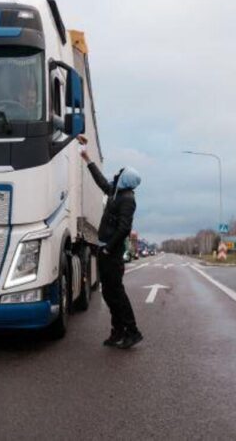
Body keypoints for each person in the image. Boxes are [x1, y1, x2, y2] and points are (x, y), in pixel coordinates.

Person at [78, 135, 144, 349]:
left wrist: (108, 249)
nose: (117, 175)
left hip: (112, 252)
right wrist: (88, 160)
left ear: (126, 179)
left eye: (121, 174)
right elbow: (102, 182)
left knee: (116, 293)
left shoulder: (127, 199)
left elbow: (124, 228)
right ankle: (117, 332)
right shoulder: (116, 193)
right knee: (108, 292)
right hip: (106, 248)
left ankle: (132, 331)